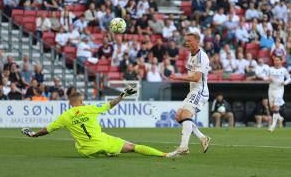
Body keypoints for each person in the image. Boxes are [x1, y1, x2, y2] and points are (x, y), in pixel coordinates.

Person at [22, 86, 170, 158]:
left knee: (86, 141)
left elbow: (46, 130)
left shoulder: (65, 116)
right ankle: (165, 155)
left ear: (70, 103)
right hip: (100, 141)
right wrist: (123, 94)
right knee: (132, 146)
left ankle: (108, 153)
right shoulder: (90, 109)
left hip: (85, 151)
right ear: (80, 101)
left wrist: (34, 134)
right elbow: (111, 104)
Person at [167, 28, 210, 158]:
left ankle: (183, 147)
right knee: (179, 116)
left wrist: (178, 77)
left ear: (197, 42)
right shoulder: (190, 55)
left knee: (186, 114)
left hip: (200, 92)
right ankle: (203, 138)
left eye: (190, 41)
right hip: (193, 91)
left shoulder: (202, 56)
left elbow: (197, 78)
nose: (187, 43)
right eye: (186, 41)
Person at [267, 56, 290, 132]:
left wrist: (285, 82)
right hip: (271, 90)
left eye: (278, 60)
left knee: (276, 107)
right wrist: (268, 79)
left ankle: (272, 126)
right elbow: (267, 78)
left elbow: (289, 78)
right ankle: (280, 118)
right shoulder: (270, 69)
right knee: (272, 108)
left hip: (279, 91)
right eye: (275, 60)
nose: (276, 62)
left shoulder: (284, 70)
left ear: (281, 61)